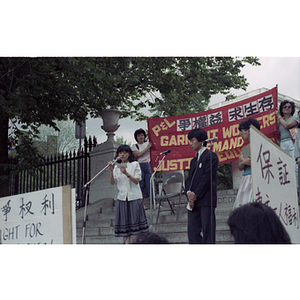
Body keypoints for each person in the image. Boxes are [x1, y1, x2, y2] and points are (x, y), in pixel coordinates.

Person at [108, 144, 149, 244]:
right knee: (125, 227)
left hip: (134, 197)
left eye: (125, 152)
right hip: (122, 198)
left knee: (135, 226)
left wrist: (126, 173)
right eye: (120, 153)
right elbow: (112, 182)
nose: (122, 155)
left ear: (129, 154)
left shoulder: (134, 164)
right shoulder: (116, 167)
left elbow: (136, 181)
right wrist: (111, 171)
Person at [185, 128, 219, 244]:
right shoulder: (193, 161)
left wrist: (196, 194)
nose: (190, 144)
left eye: (192, 140)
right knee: (192, 231)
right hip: (193, 202)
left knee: (208, 230)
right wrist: (189, 193)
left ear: (201, 141)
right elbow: (189, 178)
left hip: (206, 199)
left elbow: (207, 178)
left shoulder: (211, 156)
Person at [233, 117, 261, 209]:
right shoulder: (245, 149)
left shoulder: (260, 144)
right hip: (246, 178)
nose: (241, 134)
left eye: (242, 132)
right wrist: (243, 161)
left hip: (255, 178)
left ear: (249, 130)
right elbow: (240, 167)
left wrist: (245, 161)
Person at [131, 128, 158, 208]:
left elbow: (156, 150)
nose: (140, 137)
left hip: (148, 165)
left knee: (151, 184)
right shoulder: (134, 146)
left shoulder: (148, 144)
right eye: (138, 135)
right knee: (140, 185)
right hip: (139, 166)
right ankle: (140, 204)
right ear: (136, 137)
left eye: (142, 135)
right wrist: (148, 147)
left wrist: (150, 145)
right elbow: (138, 155)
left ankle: (155, 203)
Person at [275, 100, 299, 186]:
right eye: (284, 106)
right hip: (282, 143)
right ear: (281, 109)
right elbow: (278, 134)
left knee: (294, 166)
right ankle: (287, 186)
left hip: (292, 143)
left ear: (292, 109)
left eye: (289, 107)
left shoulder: (295, 118)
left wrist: (279, 117)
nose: (287, 108)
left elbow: (287, 125)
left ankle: (296, 187)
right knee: (284, 166)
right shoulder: (279, 123)